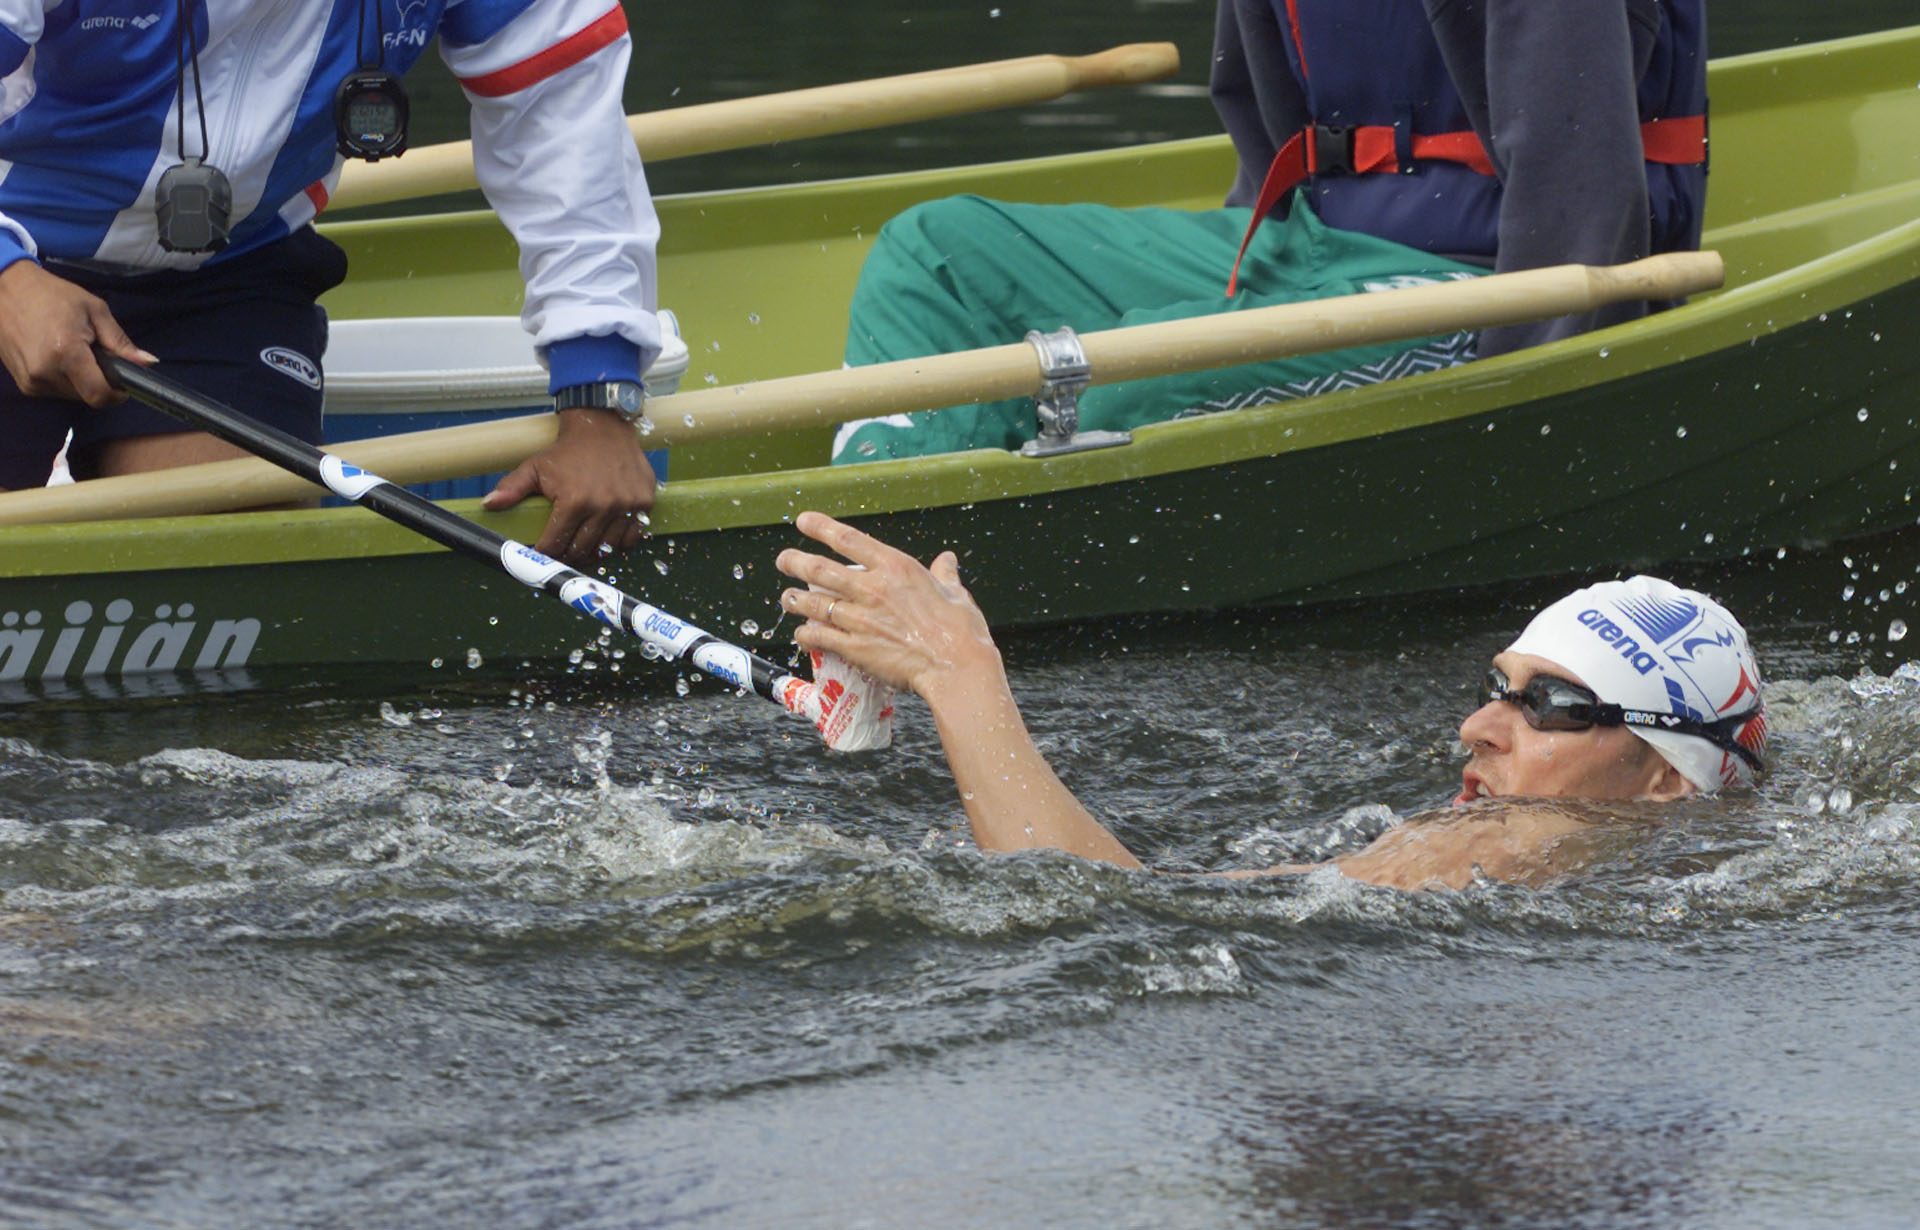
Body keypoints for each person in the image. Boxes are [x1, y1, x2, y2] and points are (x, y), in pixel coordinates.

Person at [831, 0, 1707, 464]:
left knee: (1120, 387)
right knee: (934, 252)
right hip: (1313, 244)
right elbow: (1264, 117)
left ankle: (975, 572)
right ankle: (875, 545)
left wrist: (1531, 396)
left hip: (1487, 277)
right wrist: (1231, 300)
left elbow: (1582, 185)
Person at [775, 512, 1768, 891]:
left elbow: (1110, 908)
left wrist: (962, 677)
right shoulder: (1658, 861)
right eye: (1494, 687)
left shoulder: (1516, 847)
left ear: (1663, 777)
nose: (1477, 727)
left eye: (1549, 704)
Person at [0, 0, 660, 564]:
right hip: (14, 241)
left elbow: (565, 135)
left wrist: (597, 404)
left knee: (229, 547)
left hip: (231, 273)